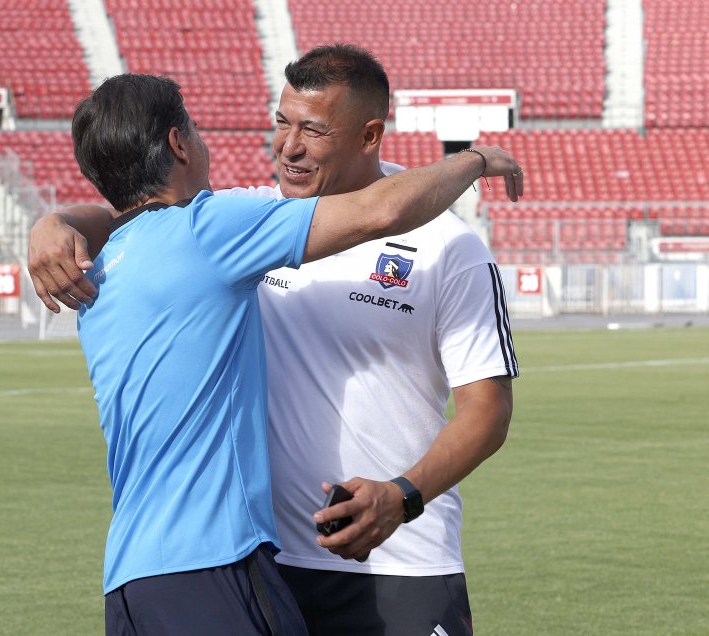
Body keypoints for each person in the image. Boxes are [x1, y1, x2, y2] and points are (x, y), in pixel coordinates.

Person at [45, 64, 523, 635]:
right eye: (280, 123)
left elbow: (487, 411)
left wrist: (404, 496)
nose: (288, 147)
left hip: (400, 564)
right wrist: (473, 159)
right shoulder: (229, 222)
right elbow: (381, 211)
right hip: (262, 565)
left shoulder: (451, 246)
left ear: (370, 135)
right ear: (178, 142)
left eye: (313, 130)